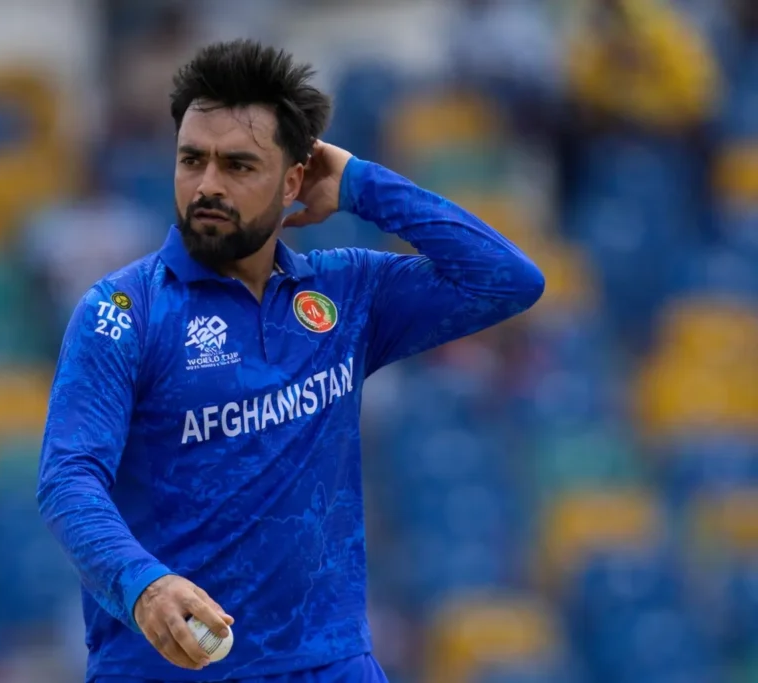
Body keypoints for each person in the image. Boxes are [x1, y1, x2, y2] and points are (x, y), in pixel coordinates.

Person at [38, 39, 545, 682]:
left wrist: (360, 182)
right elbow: (67, 477)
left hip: (331, 664)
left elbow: (506, 280)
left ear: (295, 180)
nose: (208, 186)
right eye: (192, 160)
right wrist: (143, 585)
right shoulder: (124, 311)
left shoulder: (345, 295)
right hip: (169, 668)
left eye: (240, 166)